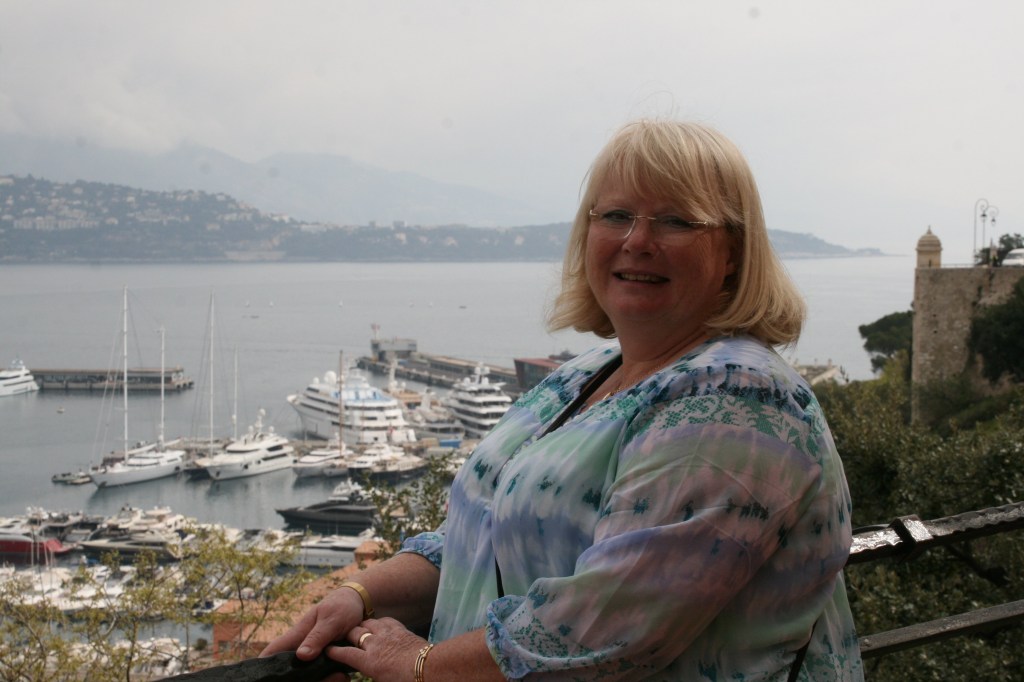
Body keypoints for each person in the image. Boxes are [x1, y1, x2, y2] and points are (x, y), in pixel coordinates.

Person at [261, 120, 864, 681]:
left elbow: (609, 626)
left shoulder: (739, 402)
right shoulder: (584, 376)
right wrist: (361, 594)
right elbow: (488, 531)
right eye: (616, 215)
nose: (637, 240)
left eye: (676, 221)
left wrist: (420, 664)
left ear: (732, 253)